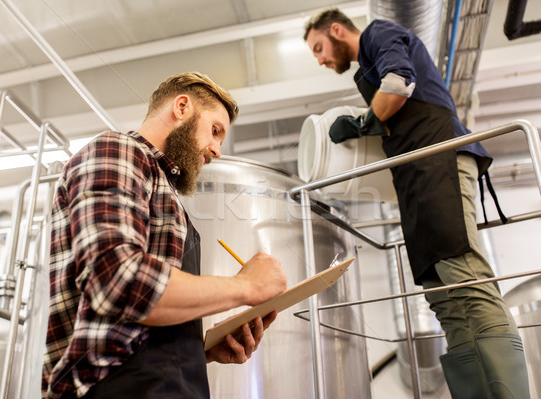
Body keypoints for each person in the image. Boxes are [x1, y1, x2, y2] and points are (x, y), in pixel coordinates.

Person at [304, 9, 530, 399]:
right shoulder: (366, 67)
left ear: (338, 30)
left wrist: (363, 123)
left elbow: (400, 80)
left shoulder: (378, 33)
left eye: (319, 48)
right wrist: (369, 122)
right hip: (414, 176)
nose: (320, 60)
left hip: (440, 158)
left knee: (466, 277)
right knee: (441, 295)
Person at [42, 72, 287, 399]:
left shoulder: (166, 196)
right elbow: (116, 282)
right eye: (215, 131)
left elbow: (132, 327)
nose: (215, 150)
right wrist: (246, 286)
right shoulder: (118, 150)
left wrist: (201, 352)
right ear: (182, 107)